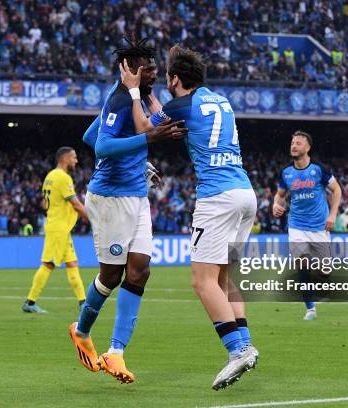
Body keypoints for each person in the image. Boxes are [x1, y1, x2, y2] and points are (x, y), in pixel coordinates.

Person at [119, 45, 258, 390]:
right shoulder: (218, 100)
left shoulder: (180, 104)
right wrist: (155, 103)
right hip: (245, 194)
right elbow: (171, 114)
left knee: (202, 280)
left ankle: (238, 350)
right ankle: (246, 344)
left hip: (217, 198)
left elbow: (142, 128)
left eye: (167, 76)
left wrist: (134, 91)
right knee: (224, 278)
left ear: (176, 78)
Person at [69, 38, 187, 384]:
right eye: (148, 66)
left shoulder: (139, 97)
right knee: (111, 276)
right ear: (131, 70)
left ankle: (116, 352)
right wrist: (144, 144)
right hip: (110, 199)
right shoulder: (121, 98)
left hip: (136, 195)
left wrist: (139, 162)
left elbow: (91, 135)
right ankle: (81, 330)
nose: (155, 71)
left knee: (140, 271)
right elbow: (102, 145)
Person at [272, 131, 342, 321]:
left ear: (307, 148)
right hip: (296, 225)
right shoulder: (286, 172)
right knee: (302, 263)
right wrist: (276, 205)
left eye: (298, 143)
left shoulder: (319, 170)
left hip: (320, 226)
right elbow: (280, 195)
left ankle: (319, 271)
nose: (294, 146)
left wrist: (333, 215)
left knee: (325, 272)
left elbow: (337, 190)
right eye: (292, 142)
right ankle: (310, 309)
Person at [22, 147, 89, 313]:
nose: (76, 160)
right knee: (48, 264)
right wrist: (93, 219)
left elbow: (45, 204)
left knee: (72, 263)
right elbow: (75, 203)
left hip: (60, 227)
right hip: (58, 228)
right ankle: (30, 302)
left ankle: (83, 304)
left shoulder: (50, 176)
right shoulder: (63, 178)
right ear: (65, 159)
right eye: (74, 157)